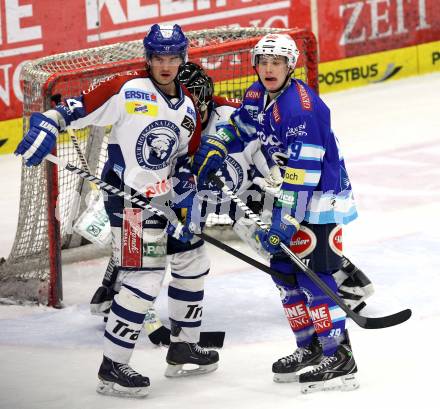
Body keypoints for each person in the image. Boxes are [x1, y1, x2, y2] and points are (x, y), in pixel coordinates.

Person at [15, 24, 219, 398]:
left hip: (167, 200)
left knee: (193, 260)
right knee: (142, 280)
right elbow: (74, 109)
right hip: (130, 202)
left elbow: (185, 158)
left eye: (173, 57)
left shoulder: (188, 104)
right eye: (159, 57)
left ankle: (184, 345)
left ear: (182, 58)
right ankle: (112, 366)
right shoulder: (126, 88)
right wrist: (47, 122)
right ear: (148, 56)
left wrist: (186, 189)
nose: (166, 64)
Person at [192, 33, 361, 393]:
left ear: (290, 66)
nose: (269, 69)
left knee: (313, 273)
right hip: (288, 191)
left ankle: (339, 354)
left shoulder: (301, 108)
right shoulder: (257, 93)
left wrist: (284, 223)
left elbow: (306, 174)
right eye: (264, 62)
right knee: (284, 272)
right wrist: (218, 145)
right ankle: (310, 346)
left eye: (277, 63)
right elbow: (242, 126)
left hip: (319, 198)